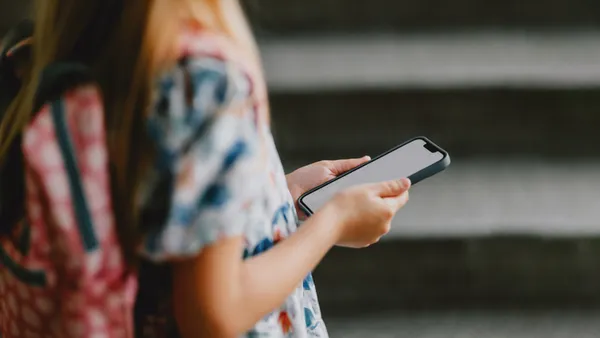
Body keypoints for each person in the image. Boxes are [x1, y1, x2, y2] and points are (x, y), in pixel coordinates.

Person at [0, 0, 411, 337]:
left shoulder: (83, 49)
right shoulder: (207, 82)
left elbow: (158, 223)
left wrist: (279, 198)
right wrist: (335, 221)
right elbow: (214, 314)